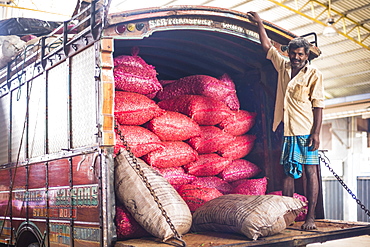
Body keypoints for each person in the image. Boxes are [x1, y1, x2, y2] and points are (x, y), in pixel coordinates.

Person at [247, 11, 325, 230]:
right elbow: (267, 48)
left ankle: (310, 218)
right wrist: (260, 23)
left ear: (306, 55)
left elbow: (318, 105)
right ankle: (288, 216)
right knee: (288, 174)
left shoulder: (314, 74)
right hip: (288, 131)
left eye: (300, 54)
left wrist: (316, 133)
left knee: (310, 173)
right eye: (293, 54)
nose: (296, 58)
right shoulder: (283, 67)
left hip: (306, 131)